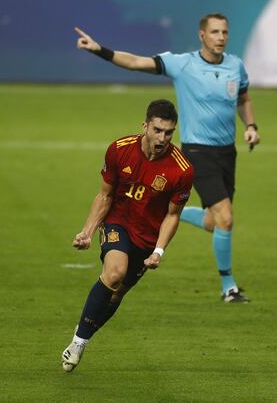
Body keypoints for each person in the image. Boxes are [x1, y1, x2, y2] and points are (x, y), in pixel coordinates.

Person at [74, 12, 260, 303]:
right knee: (226, 219)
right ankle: (229, 286)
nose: (221, 37)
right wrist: (100, 50)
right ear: (202, 35)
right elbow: (136, 62)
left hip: (227, 153)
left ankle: (168, 210)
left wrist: (250, 126)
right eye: (214, 32)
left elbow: (244, 99)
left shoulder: (236, 66)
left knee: (215, 222)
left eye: (224, 32)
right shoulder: (182, 63)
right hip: (197, 151)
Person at [61, 99, 194, 372]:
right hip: (118, 222)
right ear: (145, 126)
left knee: (115, 295)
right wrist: (86, 232)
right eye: (157, 130)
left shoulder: (181, 170)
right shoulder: (120, 150)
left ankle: (85, 328)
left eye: (169, 132)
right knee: (114, 273)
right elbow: (105, 195)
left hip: (146, 238)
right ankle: (78, 342)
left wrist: (159, 250)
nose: (162, 138)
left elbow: (172, 215)